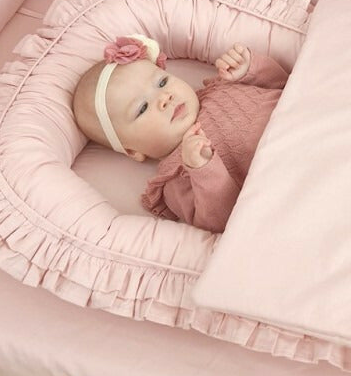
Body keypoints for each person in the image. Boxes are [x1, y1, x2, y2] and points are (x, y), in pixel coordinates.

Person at [72, 34, 289, 233]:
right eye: (142, 108)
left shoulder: (221, 85)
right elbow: (221, 221)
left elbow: (284, 85)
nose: (164, 97)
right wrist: (204, 169)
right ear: (132, 151)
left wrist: (249, 68)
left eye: (162, 82)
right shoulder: (177, 175)